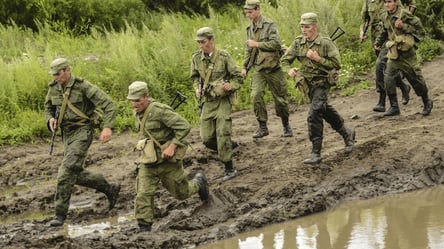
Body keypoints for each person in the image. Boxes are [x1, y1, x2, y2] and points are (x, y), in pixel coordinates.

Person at [44, 57, 120, 226]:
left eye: (58, 74)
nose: (56, 77)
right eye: (53, 74)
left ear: (67, 70)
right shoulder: (53, 88)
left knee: (65, 172)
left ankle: (59, 215)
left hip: (83, 132)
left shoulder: (83, 86)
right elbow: (48, 106)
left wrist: (107, 127)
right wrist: (49, 118)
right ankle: (109, 187)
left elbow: (109, 105)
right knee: (73, 172)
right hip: (67, 135)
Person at [127, 81, 209, 232]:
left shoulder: (160, 110)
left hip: (167, 161)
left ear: (146, 96)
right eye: (132, 100)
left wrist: (172, 146)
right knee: (143, 193)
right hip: (149, 161)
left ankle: (199, 182)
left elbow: (184, 126)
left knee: (181, 193)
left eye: (138, 100)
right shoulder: (138, 112)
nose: (134, 104)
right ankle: (144, 227)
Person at [280, 13, 355, 164]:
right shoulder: (298, 43)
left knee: (314, 113)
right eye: (302, 26)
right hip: (308, 85)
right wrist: (289, 69)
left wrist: (318, 59)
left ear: (315, 27)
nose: (304, 30)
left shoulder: (325, 43)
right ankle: (347, 133)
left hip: (322, 82)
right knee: (323, 109)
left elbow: (337, 64)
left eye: (307, 27)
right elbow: (284, 60)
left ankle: (316, 152)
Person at [190, 27, 244, 181]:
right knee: (206, 138)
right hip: (208, 101)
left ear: (212, 40)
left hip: (223, 101)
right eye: (199, 42)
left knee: (222, 133)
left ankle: (229, 168)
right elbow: (194, 77)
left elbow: (238, 77)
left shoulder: (224, 56)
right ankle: (228, 146)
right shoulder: (196, 58)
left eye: (203, 42)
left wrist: (231, 86)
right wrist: (197, 88)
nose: (201, 46)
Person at [242, 0, 293, 138]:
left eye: (250, 12)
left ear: (258, 9)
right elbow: (249, 50)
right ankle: (262, 126)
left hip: (274, 67)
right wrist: (245, 67)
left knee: (280, 99)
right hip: (259, 69)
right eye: (246, 12)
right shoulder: (249, 29)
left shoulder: (269, 25)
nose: (248, 15)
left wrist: (257, 44)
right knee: (255, 96)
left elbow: (276, 44)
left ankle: (286, 125)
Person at [374, 0, 433, 116]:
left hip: (407, 55)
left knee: (415, 79)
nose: (387, 5)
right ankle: (394, 107)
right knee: (388, 77)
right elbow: (386, 32)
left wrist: (404, 26)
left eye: (389, 2)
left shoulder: (404, 14)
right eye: (385, 2)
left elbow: (420, 30)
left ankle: (427, 101)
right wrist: (378, 42)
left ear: (396, 2)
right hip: (394, 53)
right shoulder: (384, 16)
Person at [360, 0, 413, 112]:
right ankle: (403, 87)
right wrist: (362, 31)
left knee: (381, 65)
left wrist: (403, 27)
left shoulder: (391, 1)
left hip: (390, 37)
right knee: (386, 67)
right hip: (376, 37)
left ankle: (382, 100)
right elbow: (365, 18)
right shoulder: (368, 1)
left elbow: (403, 14)